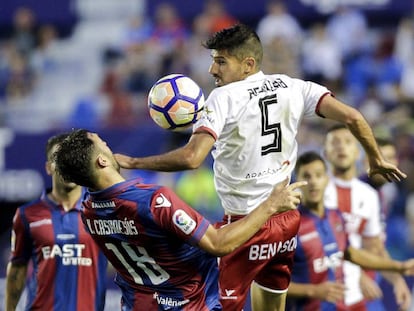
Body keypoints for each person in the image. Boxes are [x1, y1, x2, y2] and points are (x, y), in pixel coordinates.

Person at [114, 23, 406, 311]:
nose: (212, 70)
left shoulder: (224, 97)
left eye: (220, 62)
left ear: (247, 64)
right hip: (286, 219)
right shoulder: (295, 86)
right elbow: (353, 116)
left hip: (244, 225)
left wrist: (134, 161)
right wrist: (375, 157)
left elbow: (192, 158)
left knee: (210, 303)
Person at [53, 129, 306, 311]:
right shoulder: (153, 200)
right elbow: (218, 244)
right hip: (189, 304)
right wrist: (271, 204)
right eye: (104, 144)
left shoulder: (88, 211)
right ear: (102, 160)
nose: (109, 146)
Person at [287, 151, 414, 311]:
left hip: (342, 306)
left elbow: (350, 254)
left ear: (327, 179)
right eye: (306, 176)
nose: (313, 182)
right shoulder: (289, 225)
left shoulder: (335, 216)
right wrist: (313, 291)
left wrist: (397, 267)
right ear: (296, 181)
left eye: (318, 175)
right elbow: (266, 283)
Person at [5, 133, 108, 311]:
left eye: (71, 158)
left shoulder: (102, 211)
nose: (66, 164)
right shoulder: (27, 214)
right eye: (58, 158)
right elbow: (17, 268)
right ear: (48, 167)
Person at [324, 124, 411, 311]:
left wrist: (397, 280)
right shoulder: (319, 190)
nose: (388, 164)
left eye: (392, 157)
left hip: (363, 292)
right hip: (330, 291)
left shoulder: (373, 194)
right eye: (383, 158)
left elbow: (375, 246)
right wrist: (359, 274)